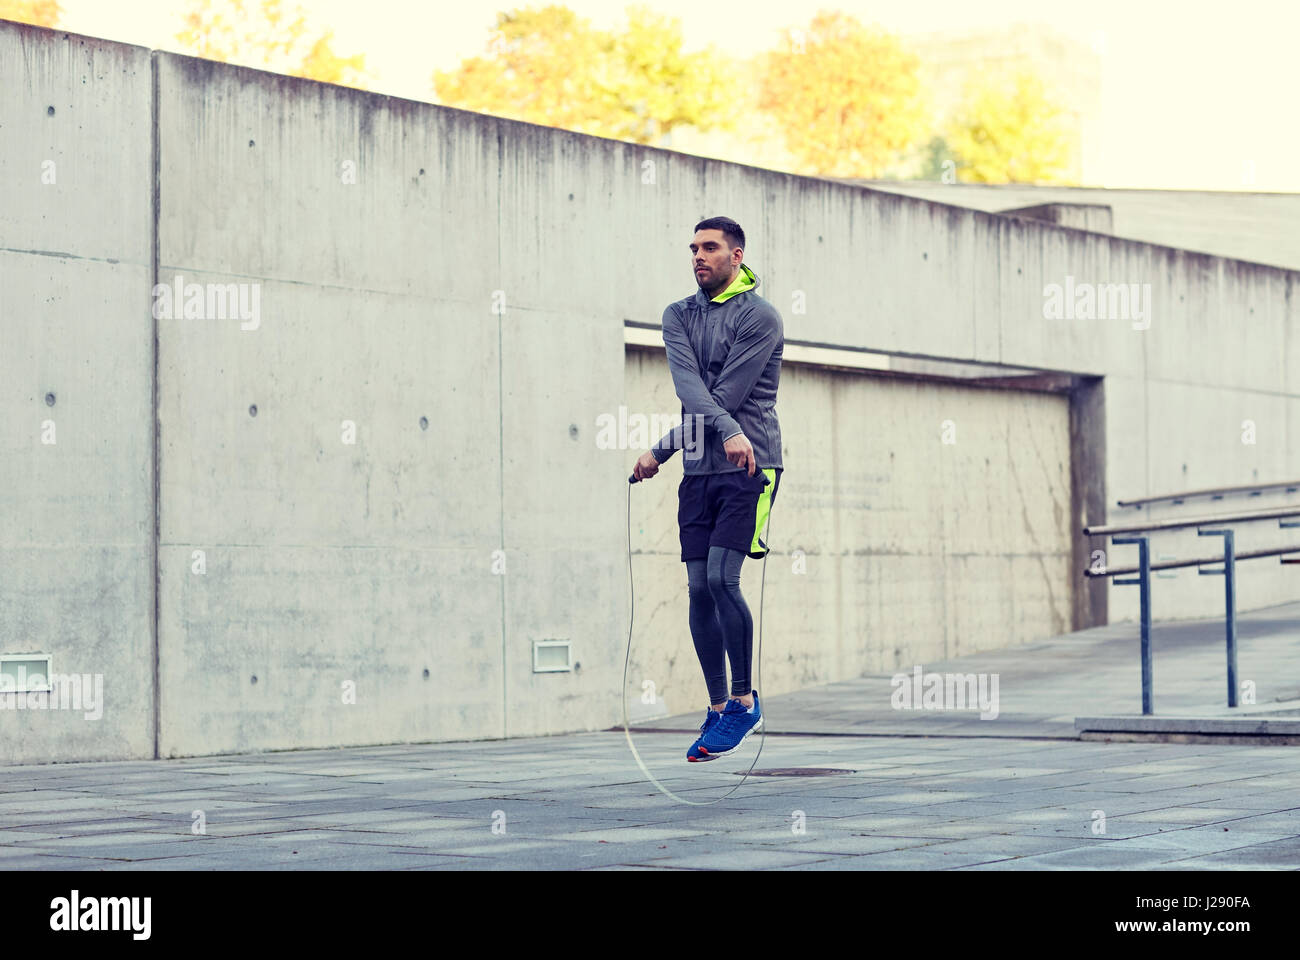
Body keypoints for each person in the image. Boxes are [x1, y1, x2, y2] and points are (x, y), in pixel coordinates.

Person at [631, 216, 784, 762]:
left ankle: (745, 701)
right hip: (699, 468)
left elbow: (729, 392)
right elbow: (692, 390)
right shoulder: (678, 315)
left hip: (750, 465)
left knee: (723, 577)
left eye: (711, 248)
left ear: (736, 256)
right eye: (693, 248)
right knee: (698, 589)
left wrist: (728, 435)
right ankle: (719, 707)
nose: (698, 256)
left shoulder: (760, 318)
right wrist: (667, 451)